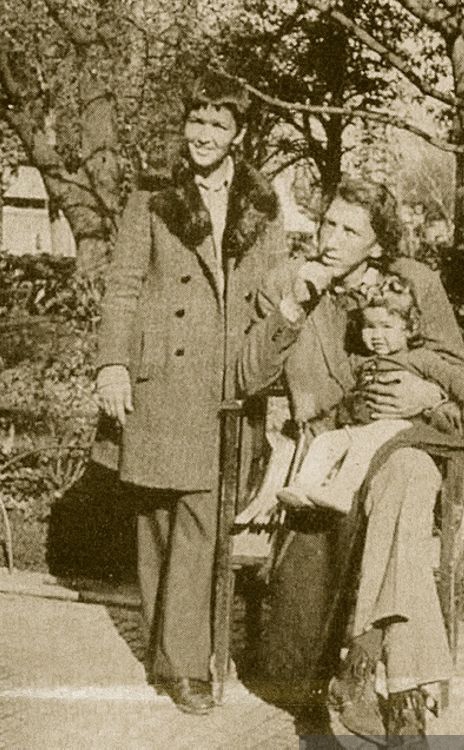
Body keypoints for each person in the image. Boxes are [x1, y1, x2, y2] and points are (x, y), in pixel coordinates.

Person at [238, 176, 464, 740]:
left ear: (376, 245)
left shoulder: (414, 281)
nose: (333, 239)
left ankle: (370, 666)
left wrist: (431, 394)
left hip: (399, 442)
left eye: (351, 230)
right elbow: (248, 379)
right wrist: (296, 307)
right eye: (328, 224)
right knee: (406, 497)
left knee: (412, 472)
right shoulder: (285, 283)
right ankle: (399, 691)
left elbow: (461, 377)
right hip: (329, 457)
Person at [91, 71, 285, 714]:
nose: (202, 135)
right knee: (157, 525)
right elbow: (121, 286)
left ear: (239, 134)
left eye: (217, 125)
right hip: (156, 382)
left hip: (221, 388)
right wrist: (112, 365)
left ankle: (185, 666)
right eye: (195, 122)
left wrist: (289, 391)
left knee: (202, 522)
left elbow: (275, 299)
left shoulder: (262, 205)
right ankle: (168, 650)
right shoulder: (152, 195)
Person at [277, 272, 455, 514]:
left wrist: (459, 398)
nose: (376, 335)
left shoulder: (420, 358)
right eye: (369, 327)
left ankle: (342, 492)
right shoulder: (360, 361)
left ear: (408, 329)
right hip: (363, 426)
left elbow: (454, 379)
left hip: (400, 426)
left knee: (362, 446)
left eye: (386, 327)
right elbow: (337, 384)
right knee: (326, 441)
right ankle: (304, 487)